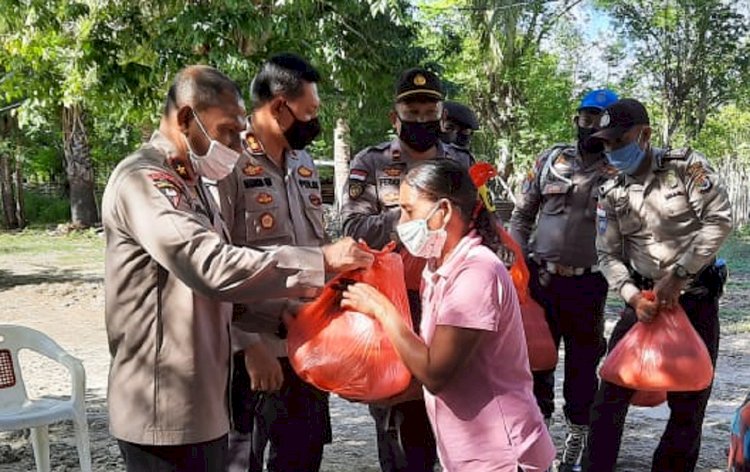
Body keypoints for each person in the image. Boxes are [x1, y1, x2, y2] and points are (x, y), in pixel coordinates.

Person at [101, 65, 373, 472]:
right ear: (186, 118)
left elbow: (225, 296)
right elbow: (209, 264)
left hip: (204, 402)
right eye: (228, 130)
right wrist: (320, 261)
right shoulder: (144, 181)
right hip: (164, 408)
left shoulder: (191, 183)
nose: (235, 143)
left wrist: (289, 313)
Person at [341, 159, 556, 471]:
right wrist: (382, 391)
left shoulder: (476, 272)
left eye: (409, 210)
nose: (401, 223)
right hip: (472, 455)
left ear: (442, 211)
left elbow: (436, 374)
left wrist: (381, 309)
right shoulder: (439, 266)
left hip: (503, 457)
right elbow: (448, 368)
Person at [584, 98, 733, 471]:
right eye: (606, 144)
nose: (613, 151)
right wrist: (632, 297)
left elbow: (719, 219)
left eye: (620, 141)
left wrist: (680, 275)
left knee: (691, 401)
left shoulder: (686, 167)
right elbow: (607, 254)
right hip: (643, 303)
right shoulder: (612, 190)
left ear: (645, 135)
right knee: (609, 396)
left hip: (695, 300)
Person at [340, 67, 473, 472]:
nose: (420, 118)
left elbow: (475, 221)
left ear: (441, 114)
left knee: (447, 404)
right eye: (411, 110)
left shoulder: (459, 163)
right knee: (396, 415)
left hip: (448, 298)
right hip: (395, 302)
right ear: (394, 116)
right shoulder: (371, 163)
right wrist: (410, 217)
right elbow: (351, 228)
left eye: (428, 109)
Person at [215, 53, 331, 472]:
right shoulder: (228, 164)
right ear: (280, 106)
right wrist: (249, 344)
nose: (314, 119)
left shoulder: (303, 162)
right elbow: (216, 262)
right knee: (242, 457)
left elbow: (314, 243)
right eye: (310, 110)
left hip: (307, 339)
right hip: (255, 348)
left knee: (303, 453)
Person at [509, 89, 619, 471]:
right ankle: (535, 446)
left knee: (582, 368)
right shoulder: (550, 160)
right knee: (535, 364)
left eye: (601, 118)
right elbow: (522, 216)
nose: (592, 124)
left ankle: (575, 444)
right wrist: (520, 262)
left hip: (589, 285)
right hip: (541, 281)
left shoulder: (621, 169)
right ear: (577, 119)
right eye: (587, 116)